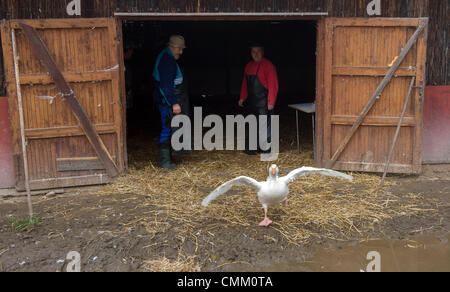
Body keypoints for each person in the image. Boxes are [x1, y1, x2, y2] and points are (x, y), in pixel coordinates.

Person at [152, 35, 186, 170]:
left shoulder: (167, 56)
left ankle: (169, 159)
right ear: (171, 47)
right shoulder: (167, 61)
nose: (181, 52)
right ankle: (165, 163)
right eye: (179, 49)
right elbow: (166, 86)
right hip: (165, 101)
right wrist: (174, 103)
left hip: (165, 99)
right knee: (167, 128)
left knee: (170, 128)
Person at [238, 44, 279, 155]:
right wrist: (242, 97)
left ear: (263, 52)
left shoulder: (268, 66)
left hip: (264, 103)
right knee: (252, 124)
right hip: (252, 102)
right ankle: (252, 148)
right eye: (253, 52)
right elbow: (245, 84)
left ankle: (266, 148)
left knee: (265, 125)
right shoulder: (248, 66)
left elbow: (273, 85)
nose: (255, 54)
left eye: (258, 51)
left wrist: (271, 102)